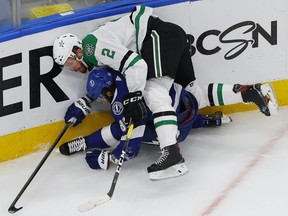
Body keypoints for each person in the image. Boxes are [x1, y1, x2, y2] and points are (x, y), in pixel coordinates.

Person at [53, 5, 278, 180]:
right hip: (168, 37)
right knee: (195, 96)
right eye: (67, 67)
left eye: (69, 62)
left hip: (158, 37)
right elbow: (109, 78)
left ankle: (172, 154)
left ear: (77, 49)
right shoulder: (94, 56)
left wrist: (133, 95)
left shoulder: (93, 46)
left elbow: (137, 66)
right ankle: (250, 92)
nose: (72, 69)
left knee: (153, 92)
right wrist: (87, 100)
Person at [59, 68, 231, 180]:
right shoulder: (125, 72)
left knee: (123, 129)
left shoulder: (121, 104)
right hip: (188, 103)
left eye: (102, 96)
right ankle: (204, 119)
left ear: (109, 90)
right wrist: (86, 101)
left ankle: (85, 142)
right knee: (148, 116)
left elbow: (131, 149)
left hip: (178, 127)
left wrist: (109, 159)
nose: (103, 101)